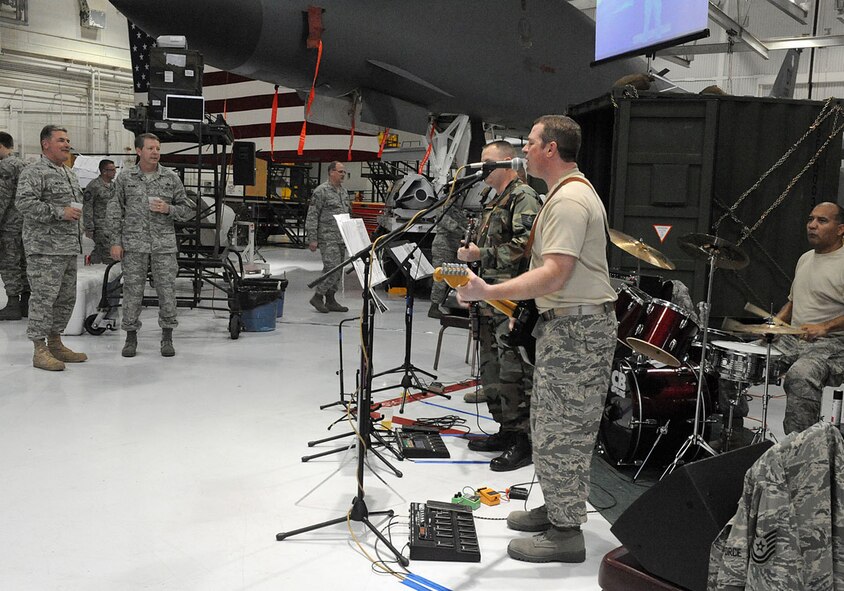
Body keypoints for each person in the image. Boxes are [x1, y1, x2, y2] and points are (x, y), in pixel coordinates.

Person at [456, 115, 617, 563]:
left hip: (578, 332)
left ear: (550, 149)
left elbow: (554, 274)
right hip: (566, 327)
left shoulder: (568, 201)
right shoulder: (561, 195)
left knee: (562, 430)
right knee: (551, 426)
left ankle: (566, 534)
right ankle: (559, 509)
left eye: (530, 142)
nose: (523, 150)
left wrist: (489, 292)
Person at [457, 140, 540, 472]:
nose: (482, 168)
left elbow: (525, 246)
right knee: (492, 370)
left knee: (513, 372)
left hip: (510, 301)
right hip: (488, 299)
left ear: (508, 162)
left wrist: (482, 254)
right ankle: (506, 430)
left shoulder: (523, 197)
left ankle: (524, 440)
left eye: (487, 162)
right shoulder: (491, 200)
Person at [108, 133, 194, 358]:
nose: (155, 152)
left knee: (167, 291)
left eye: (158, 148)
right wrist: (115, 242)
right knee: (132, 292)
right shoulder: (125, 178)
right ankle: (130, 337)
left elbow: (187, 209)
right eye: (150, 148)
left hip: (163, 246)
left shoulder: (170, 178)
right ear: (138, 151)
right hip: (134, 245)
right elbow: (115, 210)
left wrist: (169, 209)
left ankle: (167, 336)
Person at [15, 125, 87, 371]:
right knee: (44, 299)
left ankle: (56, 343)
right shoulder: (34, 171)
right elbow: (24, 203)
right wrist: (59, 212)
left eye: (67, 140)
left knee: (66, 299)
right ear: (46, 144)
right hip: (45, 248)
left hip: (67, 247)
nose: (67, 144)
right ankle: (39, 349)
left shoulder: (69, 173)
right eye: (61, 140)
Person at [773, 201, 844, 435]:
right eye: (810, 219)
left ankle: (800, 447)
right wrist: (777, 322)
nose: (812, 225)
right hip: (794, 339)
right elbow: (794, 301)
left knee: (801, 375)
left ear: (840, 229)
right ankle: (732, 432)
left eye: (822, 221)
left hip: (833, 344)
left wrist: (824, 327)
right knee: (734, 360)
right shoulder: (805, 258)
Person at [305, 161, 351, 314]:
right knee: (332, 268)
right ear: (331, 172)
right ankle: (318, 296)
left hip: (341, 236)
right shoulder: (321, 191)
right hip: (327, 236)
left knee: (340, 269)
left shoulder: (343, 192)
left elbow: (347, 214)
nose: (343, 174)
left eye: (344, 172)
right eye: (340, 171)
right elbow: (312, 215)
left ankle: (330, 299)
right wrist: (312, 238)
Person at [0, 131, 30, 320]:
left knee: (9, 263)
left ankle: (12, 304)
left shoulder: (5, 166)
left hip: (9, 225)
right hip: (25, 224)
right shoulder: (24, 165)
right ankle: (26, 302)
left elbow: (1, 199)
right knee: (25, 262)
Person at [428, 198, 469, 319]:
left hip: (455, 246)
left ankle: (455, 305)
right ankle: (434, 307)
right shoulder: (443, 206)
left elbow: (464, 224)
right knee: (440, 278)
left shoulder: (457, 209)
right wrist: (465, 231)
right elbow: (450, 225)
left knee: (459, 275)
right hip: (443, 246)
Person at [83, 159, 117, 264]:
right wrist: (89, 227)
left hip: (112, 224)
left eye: (115, 169)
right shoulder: (94, 186)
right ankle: (110, 274)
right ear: (104, 171)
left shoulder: (114, 186)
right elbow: (87, 207)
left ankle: (92, 265)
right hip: (99, 225)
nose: (115, 172)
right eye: (112, 170)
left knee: (99, 249)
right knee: (109, 252)